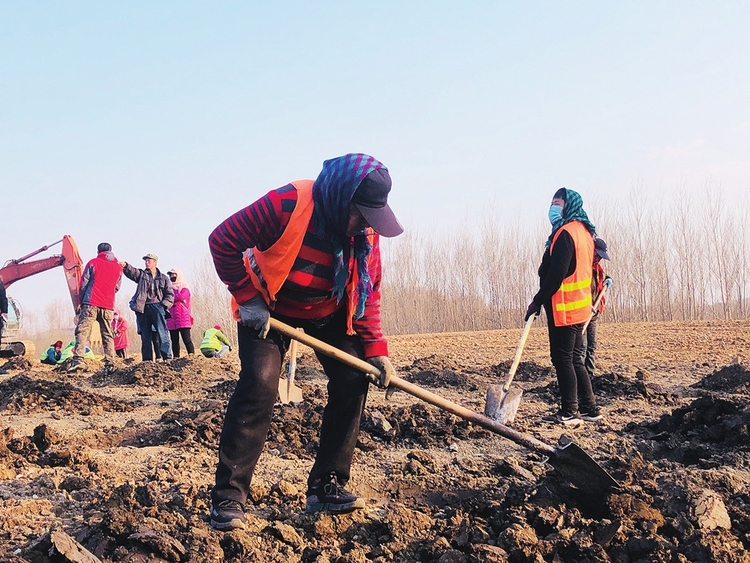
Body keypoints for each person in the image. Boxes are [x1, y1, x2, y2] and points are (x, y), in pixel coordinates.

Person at [206, 153, 403, 530]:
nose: (364, 224)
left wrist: (376, 351)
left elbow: (367, 292)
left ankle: (326, 485)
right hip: (268, 308)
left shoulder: (365, 233)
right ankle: (228, 497)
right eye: (359, 213)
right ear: (340, 196)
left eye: (370, 216)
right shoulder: (287, 204)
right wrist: (248, 298)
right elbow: (223, 240)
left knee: (352, 378)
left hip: (327, 312)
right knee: (260, 382)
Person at [525, 187, 602, 427]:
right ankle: (590, 408)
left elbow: (557, 274)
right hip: (580, 307)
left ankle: (570, 412)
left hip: (565, 308)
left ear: (568, 205)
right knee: (575, 359)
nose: (552, 208)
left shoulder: (566, 233)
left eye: (557, 203)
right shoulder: (584, 232)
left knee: (562, 359)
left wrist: (537, 300)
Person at [69, 243, 123, 372]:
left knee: (82, 331)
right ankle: (110, 363)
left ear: (98, 251)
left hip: (91, 303)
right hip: (108, 306)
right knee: (107, 334)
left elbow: (83, 283)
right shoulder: (118, 267)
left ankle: (78, 360)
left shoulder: (93, 263)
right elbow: (117, 287)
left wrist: (80, 302)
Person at [120, 253, 174, 362]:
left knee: (163, 334)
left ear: (155, 262)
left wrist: (163, 305)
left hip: (158, 307)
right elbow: (133, 272)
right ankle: (147, 360)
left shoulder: (163, 278)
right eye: (145, 260)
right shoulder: (142, 275)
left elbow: (170, 294)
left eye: (149, 260)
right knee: (145, 336)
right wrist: (125, 265)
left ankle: (167, 358)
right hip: (143, 308)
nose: (146, 262)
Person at [583, 238, 612, 379]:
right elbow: (580, 289)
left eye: (601, 256)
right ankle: (580, 377)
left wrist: (607, 278)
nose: (599, 258)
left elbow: (598, 282)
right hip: (582, 315)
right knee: (581, 348)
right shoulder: (582, 267)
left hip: (593, 315)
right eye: (598, 255)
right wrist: (587, 304)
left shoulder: (597, 269)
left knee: (592, 346)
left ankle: (590, 376)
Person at [166, 269, 195, 357]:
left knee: (186, 339)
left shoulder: (184, 287)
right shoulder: (168, 288)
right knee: (174, 340)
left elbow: (182, 296)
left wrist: (171, 298)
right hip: (171, 317)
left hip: (183, 317)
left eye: (174, 275)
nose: (172, 277)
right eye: (170, 275)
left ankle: (191, 355)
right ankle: (176, 357)